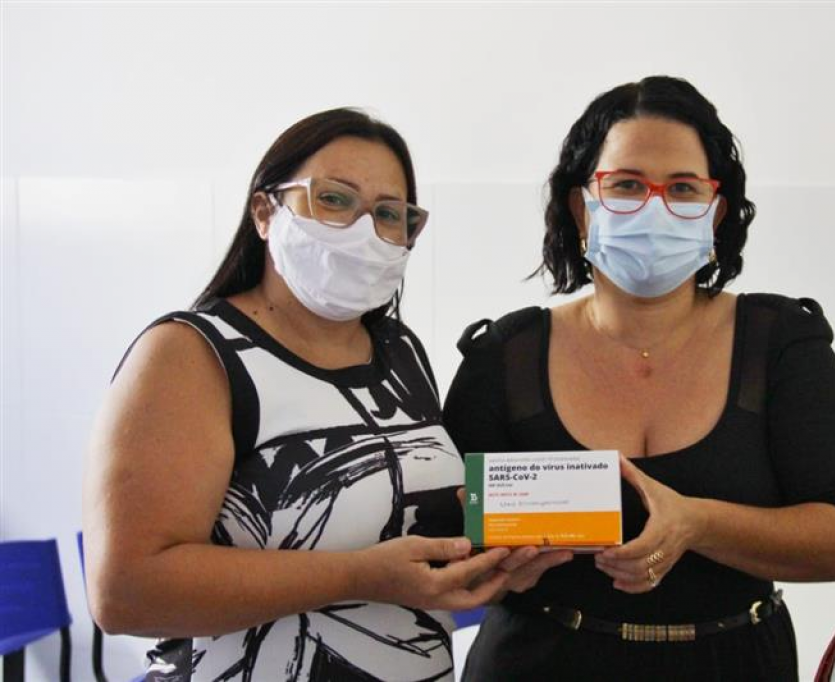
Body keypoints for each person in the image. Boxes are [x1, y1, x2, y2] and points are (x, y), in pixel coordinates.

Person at [443, 76, 835, 681]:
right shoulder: (504, 355)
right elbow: (445, 547)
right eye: (626, 185)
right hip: (536, 661)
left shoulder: (782, 344)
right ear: (581, 207)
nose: (654, 208)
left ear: (715, 211)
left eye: (682, 189)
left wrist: (696, 524)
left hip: (733, 662)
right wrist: (489, 567)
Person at [82, 108, 520, 681]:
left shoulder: (399, 351)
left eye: (389, 214)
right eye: (334, 199)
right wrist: (361, 577)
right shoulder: (190, 355)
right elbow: (125, 592)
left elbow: (407, 531)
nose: (364, 232)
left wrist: (485, 563)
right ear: (265, 212)